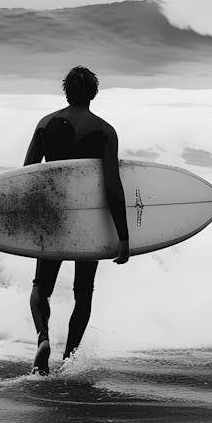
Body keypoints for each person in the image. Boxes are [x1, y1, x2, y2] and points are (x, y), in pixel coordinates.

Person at [23, 66, 129, 375]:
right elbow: (112, 186)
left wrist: (29, 224)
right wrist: (122, 236)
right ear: (93, 93)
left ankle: (43, 338)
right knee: (83, 293)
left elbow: (26, 177)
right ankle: (68, 360)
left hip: (54, 218)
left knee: (41, 288)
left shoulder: (45, 125)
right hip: (88, 220)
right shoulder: (105, 131)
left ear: (66, 91)